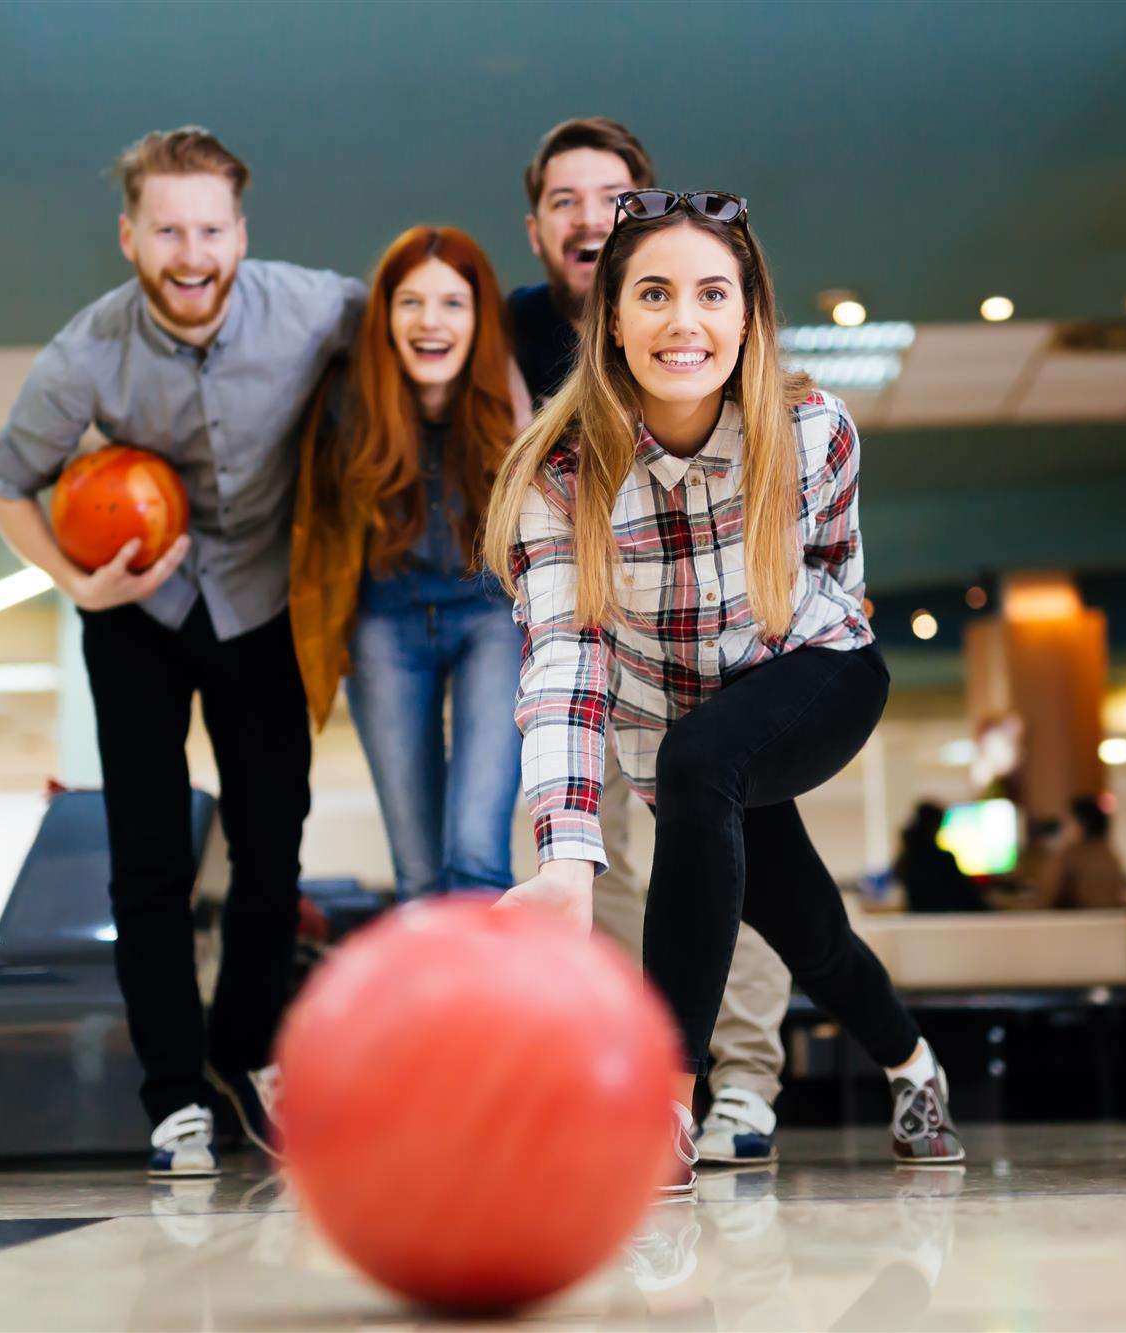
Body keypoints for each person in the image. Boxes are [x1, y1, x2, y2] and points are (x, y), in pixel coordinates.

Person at [487, 187, 966, 1192]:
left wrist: (767, 690)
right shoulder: (557, 476)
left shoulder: (812, 430)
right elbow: (564, 672)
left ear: (746, 315)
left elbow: (836, 567)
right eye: (653, 294)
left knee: (699, 758)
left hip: (816, 674)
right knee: (810, 932)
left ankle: (664, 1104)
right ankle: (914, 1065)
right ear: (610, 318)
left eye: (712, 293)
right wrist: (566, 859)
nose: (683, 321)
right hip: (677, 725)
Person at [0, 127, 362, 1177]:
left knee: (271, 842)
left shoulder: (315, 305)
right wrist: (75, 581)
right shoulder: (85, 353)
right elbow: (1, 482)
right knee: (147, 858)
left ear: (241, 232)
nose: (190, 254)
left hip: (264, 601)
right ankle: (175, 1095)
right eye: (166, 231)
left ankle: (247, 1055)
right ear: (129, 237)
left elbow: (422, 328)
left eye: (209, 229)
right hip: (136, 608)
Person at [507, 117, 794, 1166]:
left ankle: (745, 1080)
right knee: (590, 860)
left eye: (610, 196)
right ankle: (640, 1078)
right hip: (595, 634)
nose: (588, 216)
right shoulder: (515, 343)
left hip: (720, 643)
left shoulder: (735, 359)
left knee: (737, 845)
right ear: (537, 225)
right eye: (564, 199)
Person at [287, 226, 525, 901]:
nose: (430, 321)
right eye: (410, 302)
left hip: (489, 615)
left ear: (479, 319)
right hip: (384, 620)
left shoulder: (509, 399)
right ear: (384, 317)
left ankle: (488, 1011)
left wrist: (517, 399)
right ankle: (434, 1011)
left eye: (453, 303)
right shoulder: (346, 401)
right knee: (419, 871)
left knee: (477, 852)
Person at [893, 803, 992, 914]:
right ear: (934, 826)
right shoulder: (943, 860)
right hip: (950, 922)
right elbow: (968, 898)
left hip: (920, 924)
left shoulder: (904, 859)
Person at [1052, 796, 1126, 910]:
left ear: (1080, 825)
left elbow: (1047, 897)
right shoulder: (1110, 855)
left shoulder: (1072, 856)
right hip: (1114, 922)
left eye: (1067, 822)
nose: (1064, 829)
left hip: (1080, 923)